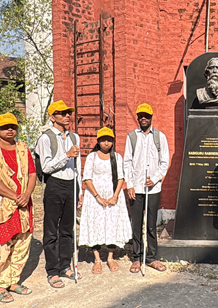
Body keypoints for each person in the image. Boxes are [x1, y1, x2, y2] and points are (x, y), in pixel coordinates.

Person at [0, 113, 37, 303]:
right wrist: (15, 196)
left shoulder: (22, 149)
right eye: (5, 127)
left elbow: (32, 174)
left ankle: (13, 280)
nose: (10, 130)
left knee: (22, 240)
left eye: (13, 126)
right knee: (1, 244)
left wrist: (26, 195)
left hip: (23, 202)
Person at [35, 100, 82, 288]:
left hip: (71, 184)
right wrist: (67, 155)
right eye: (62, 113)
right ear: (53, 117)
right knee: (51, 229)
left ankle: (64, 265)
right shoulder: (45, 138)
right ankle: (52, 271)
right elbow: (46, 167)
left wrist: (79, 189)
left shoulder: (74, 137)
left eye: (68, 113)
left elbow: (78, 166)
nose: (67, 116)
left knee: (67, 229)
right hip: (54, 184)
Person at [124, 103, 170, 273]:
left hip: (153, 188)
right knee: (136, 224)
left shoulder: (159, 137)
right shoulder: (132, 137)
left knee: (151, 224)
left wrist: (156, 178)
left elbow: (165, 161)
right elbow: (127, 162)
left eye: (146, 116)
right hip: (135, 188)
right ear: (137, 117)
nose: (143, 118)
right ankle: (137, 257)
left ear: (151, 117)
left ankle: (151, 257)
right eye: (141, 115)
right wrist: (129, 185)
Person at [79, 127, 132, 274]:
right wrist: (98, 197)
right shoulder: (92, 157)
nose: (106, 143)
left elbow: (121, 178)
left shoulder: (117, 157)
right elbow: (87, 178)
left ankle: (110, 256)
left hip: (113, 197)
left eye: (109, 140)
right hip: (95, 197)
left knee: (111, 224)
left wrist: (114, 197)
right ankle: (97, 259)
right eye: (103, 140)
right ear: (98, 141)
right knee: (95, 224)